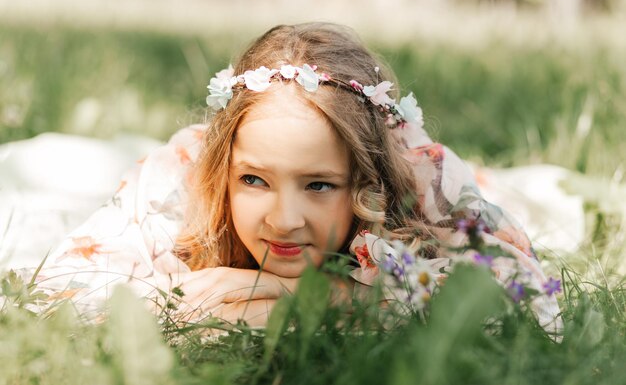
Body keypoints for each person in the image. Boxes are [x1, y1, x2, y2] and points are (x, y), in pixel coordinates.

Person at [20, 22, 560, 330]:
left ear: (367, 179)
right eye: (254, 181)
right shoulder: (187, 172)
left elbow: (534, 304)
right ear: (224, 167)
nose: (283, 220)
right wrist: (187, 301)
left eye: (319, 184)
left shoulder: (421, 176)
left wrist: (328, 299)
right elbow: (54, 293)